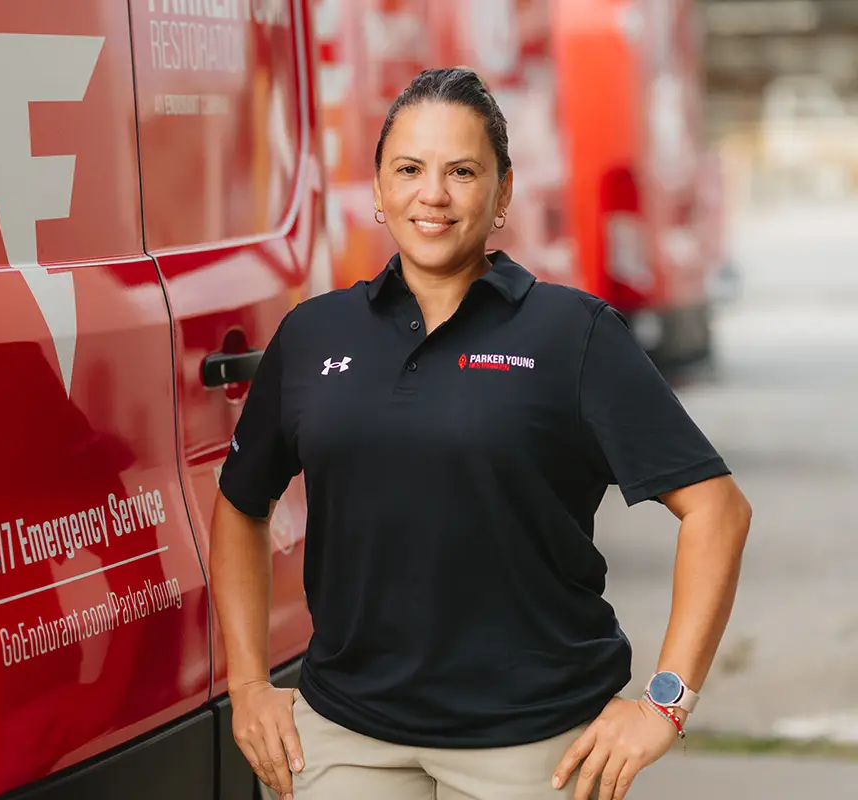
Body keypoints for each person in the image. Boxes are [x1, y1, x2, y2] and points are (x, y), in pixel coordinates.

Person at [209, 66, 752, 800]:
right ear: (375, 189)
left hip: (536, 747)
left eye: (462, 172)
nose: (432, 195)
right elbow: (242, 505)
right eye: (409, 169)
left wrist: (664, 703)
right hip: (345, 740)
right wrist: (248, 686)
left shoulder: (573, 333)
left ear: (501, 194)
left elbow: (717, 510)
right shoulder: (313, 334)